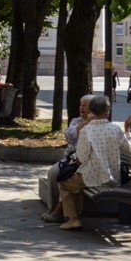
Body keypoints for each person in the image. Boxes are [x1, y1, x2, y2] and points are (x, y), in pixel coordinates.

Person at [55, 93, 131, 230]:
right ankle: (73, 219)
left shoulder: (86, 130)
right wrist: (127, 129)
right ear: (107, 111)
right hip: (114, 177)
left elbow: (82, 158)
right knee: (75, 185)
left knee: (65, 184)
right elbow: (128, 148)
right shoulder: (115, 128)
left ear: (92, 111)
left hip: (93, 177)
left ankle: (73, 219)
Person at [41, 94, 94, 222]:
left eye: (85, 106)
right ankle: (53, 207)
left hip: (84, 165)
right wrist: (85, 123)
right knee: (53, 172)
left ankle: (59, 212)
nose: (82, 108)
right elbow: (69, 136)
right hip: (69, 161)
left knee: (66, 178)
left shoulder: (98, 125)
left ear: (93, 108)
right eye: (81, 105)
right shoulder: (76, 121)